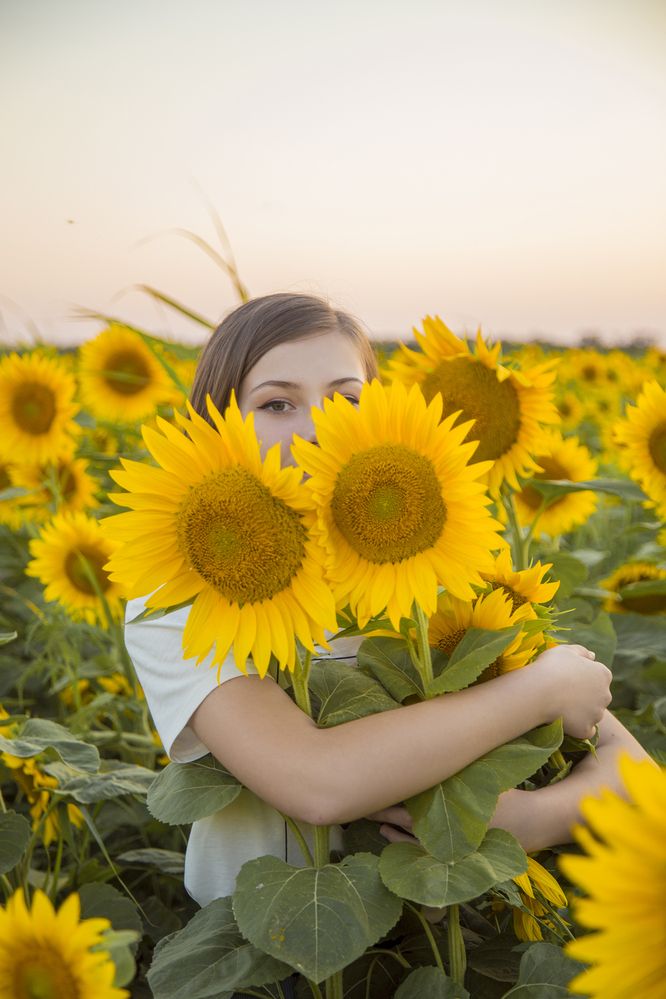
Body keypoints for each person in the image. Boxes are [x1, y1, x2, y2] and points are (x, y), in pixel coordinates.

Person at [124, 292, 649, 911]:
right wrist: (537, 692)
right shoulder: (182, 594)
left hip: (439, 929)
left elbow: (637, 777)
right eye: (277, 403)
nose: (320, 426)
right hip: (265, 948)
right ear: (217, 422)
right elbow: (315, 782)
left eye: (346, 399)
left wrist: (532, 819)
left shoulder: (427, 561)